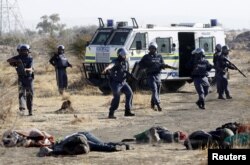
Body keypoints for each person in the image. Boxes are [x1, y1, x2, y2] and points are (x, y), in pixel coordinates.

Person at [138, 42, 175, 111]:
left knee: (157, 91)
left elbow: (162, 64)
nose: (152, 50)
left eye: (153, 48)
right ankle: (158, 104)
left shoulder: (159, 56)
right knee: (154, 90)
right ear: (149, 49)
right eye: (151, 48)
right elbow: (140, 64)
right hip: (150, 76)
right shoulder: (146, 57)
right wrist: (144, 67)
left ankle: (152, 104)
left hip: (158, 75)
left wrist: (166, 66)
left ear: (156, 49)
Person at [102, 48, 135, 119]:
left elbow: (125, 70)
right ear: (120, 55)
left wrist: (129, 76)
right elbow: (111, 65)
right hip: (115, 83)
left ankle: (127, 111)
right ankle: (111, 113)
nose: (125, 56)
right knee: (117, 96)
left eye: (125, 55)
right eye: (124, 55)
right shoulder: (115, 61)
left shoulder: (126, 62)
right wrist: (106, 68)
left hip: (123, 82)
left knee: (130, 93)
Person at [7, 44, 34, 116]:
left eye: (26, 50)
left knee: (29, 94)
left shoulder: (30, 58)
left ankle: (30, 110)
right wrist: (17, 61)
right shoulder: (18, 57)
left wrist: (25, 69)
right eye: (23, 51)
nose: (24, 52)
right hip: (21, 78)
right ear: (20, 51)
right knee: (21, 94)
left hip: (29, 78)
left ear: (28, 51)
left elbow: (31, 69)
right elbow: (8, 60)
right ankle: (22, 109)